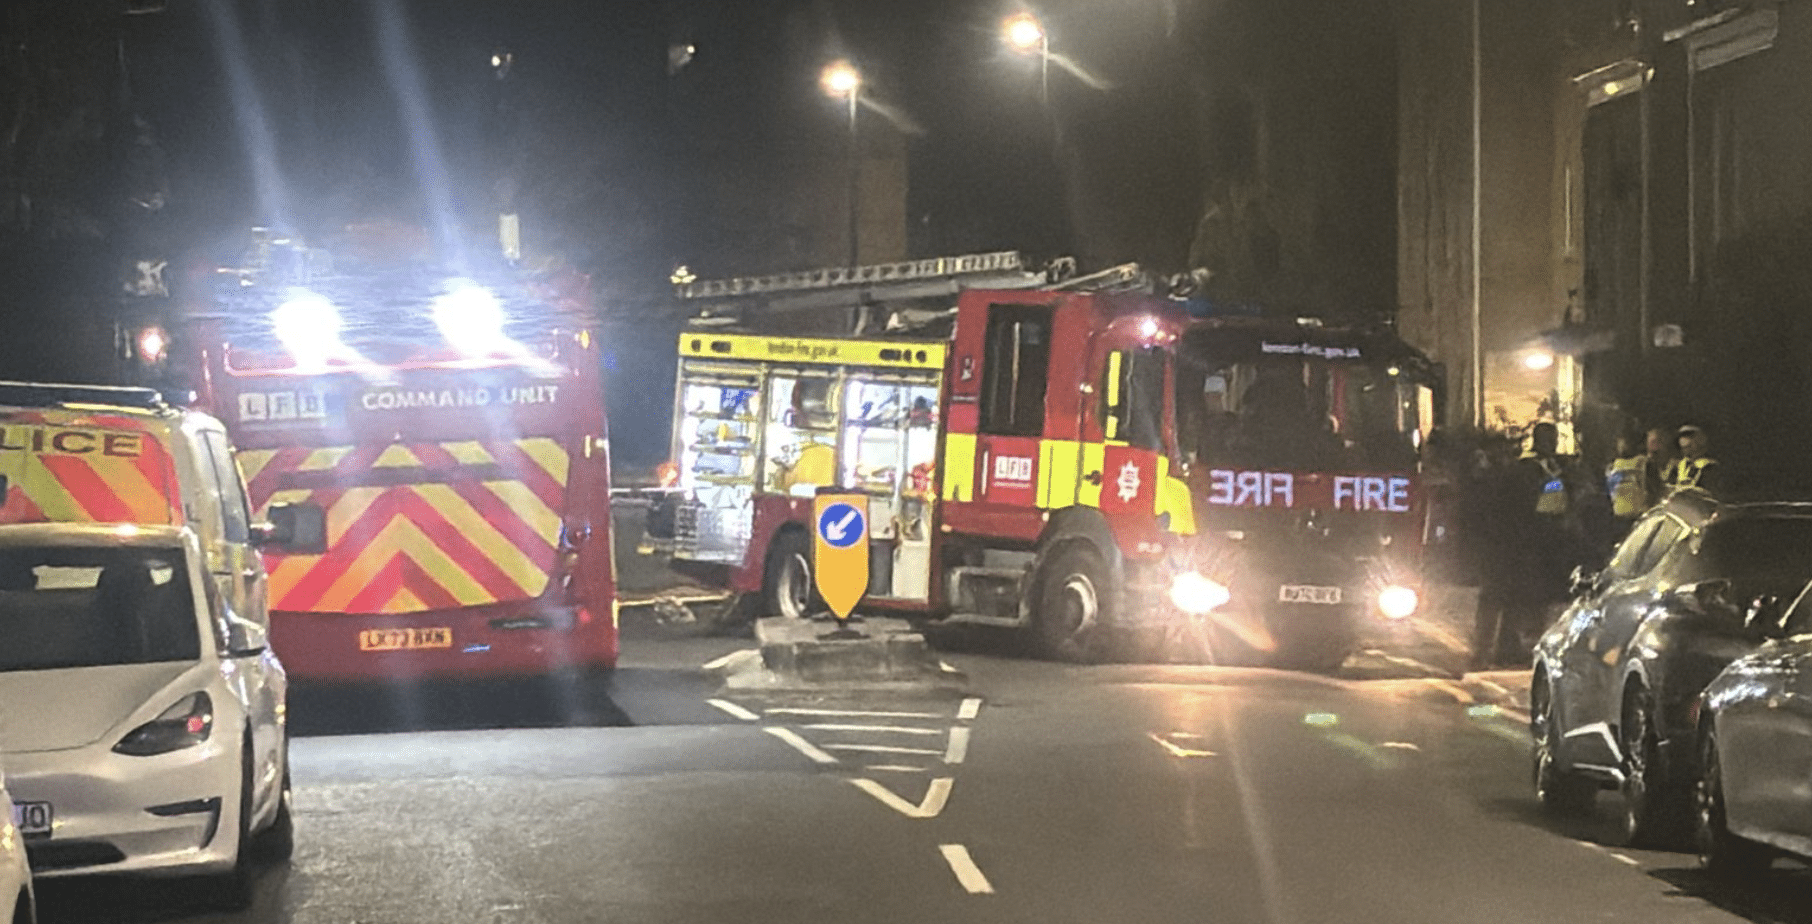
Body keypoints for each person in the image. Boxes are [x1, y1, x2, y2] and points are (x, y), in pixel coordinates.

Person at [1604, 429, 1651, 534]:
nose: (1621, 445)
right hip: (1617, 520)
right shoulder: (1612, 466)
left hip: (1640, 519)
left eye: (1624, 442)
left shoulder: (1645, 463)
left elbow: (1654, 490)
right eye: (1619, 442)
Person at [1665, 424, 1723, 494]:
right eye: (1682, 436)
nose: (1684, 439)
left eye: (1690, 436)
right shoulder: (1676, 465)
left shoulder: (1710, 466)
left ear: (1702, 439)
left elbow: (1711, 493)